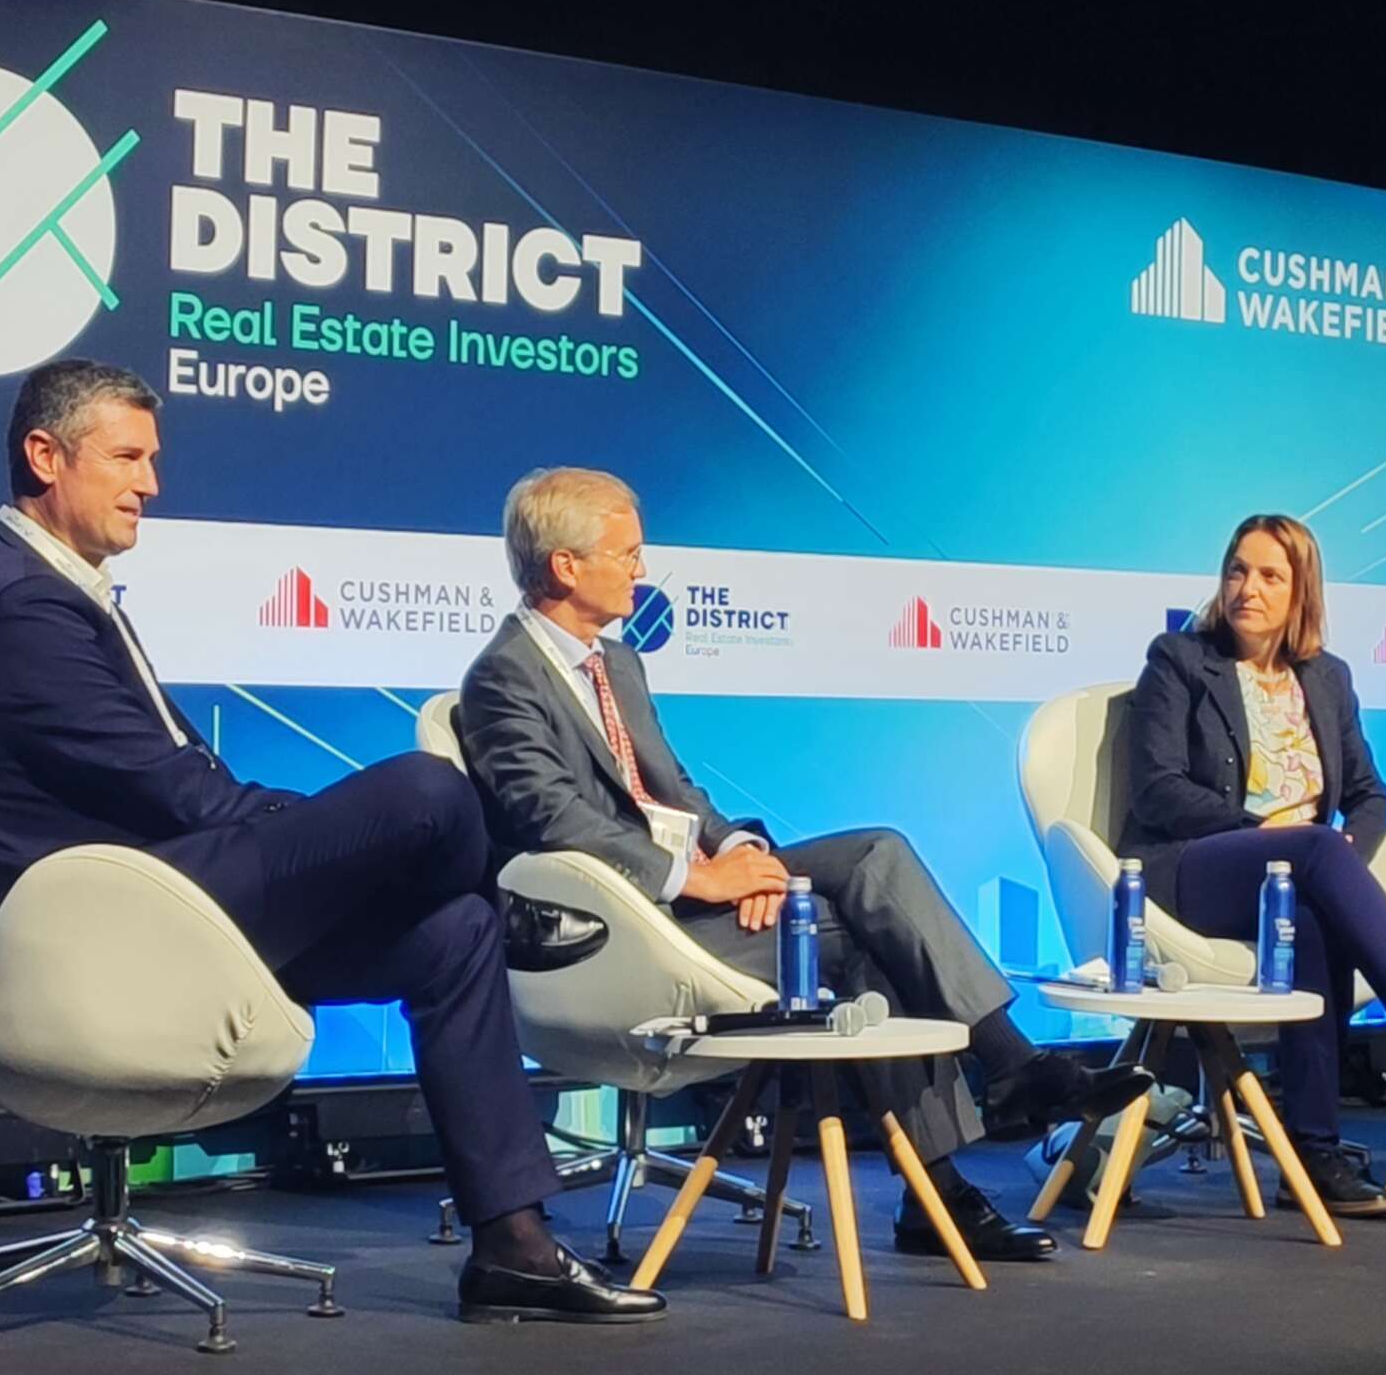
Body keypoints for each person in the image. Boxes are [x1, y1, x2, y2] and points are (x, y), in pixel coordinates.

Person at [0, 359, 663, 1323]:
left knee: (454, 935)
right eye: (129, 457)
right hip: (96, 924)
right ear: (44, 455)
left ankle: (513, 1246)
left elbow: (177, 778)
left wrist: (314, 835)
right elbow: (173, 789)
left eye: (154, 458)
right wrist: (314, 833)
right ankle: (519, 906)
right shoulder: (24, 603)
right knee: (428, 789)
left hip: (158, 893)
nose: (152, 483)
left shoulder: (54, 589)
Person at [457, 467, 1154, 1264]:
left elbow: (676, 790)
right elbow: (555, 821)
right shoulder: (502, 678)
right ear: (566, 566)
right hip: (622, 930)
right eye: (627, 554)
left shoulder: (617, 664)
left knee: (877, 857)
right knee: (861, 940)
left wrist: (738, 853)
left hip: (693, 899)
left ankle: (1009, 1072)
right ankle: (963, 1157)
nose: (641, 571)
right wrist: (700, 880)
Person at [1119, 512, 1386, 1217]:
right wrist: (1271, 834)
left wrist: (1350, 849)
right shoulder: (1178, 660)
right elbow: (1158, 790)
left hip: (1299, 877)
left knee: (1318, 906)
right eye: (1237, 570)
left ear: (1301, 592)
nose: (1246, 589)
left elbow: (1370, 796)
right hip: (1190, 870)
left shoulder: (1326, 677)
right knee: (1313, 852)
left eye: (1268, 575)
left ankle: (1313, 1155)